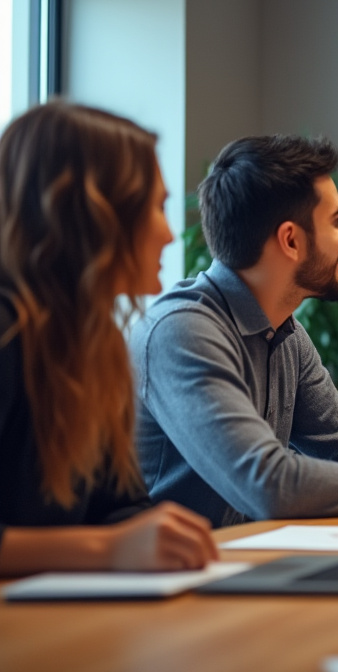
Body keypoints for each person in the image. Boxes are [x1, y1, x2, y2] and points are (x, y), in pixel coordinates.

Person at [133, 135, 338, 528]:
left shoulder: (286, 334)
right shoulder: (182, 331)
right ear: (291, 240)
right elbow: (268, 485)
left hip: (239, 563)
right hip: (165, 579)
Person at [0, 101, 216, 575]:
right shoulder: (8, 334)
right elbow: (110, 537)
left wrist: (166, 536)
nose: (170, 234)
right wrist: (106, 550)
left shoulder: (94, 348)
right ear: (92, 214)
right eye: (156, 207)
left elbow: (117, 507)